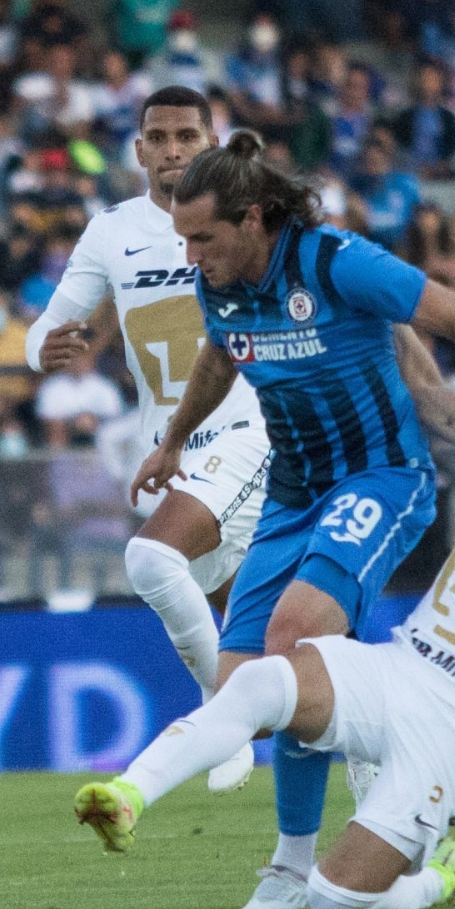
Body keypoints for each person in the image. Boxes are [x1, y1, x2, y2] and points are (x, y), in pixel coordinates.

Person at [78, 342, 455, 909]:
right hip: (403, 666)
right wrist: (388, 299)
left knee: (332, 898)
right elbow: (426, 392)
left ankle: (434, 879)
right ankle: (129, 795)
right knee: (261, 680)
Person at [132, 130, 455, 909]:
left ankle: (291, 866)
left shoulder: (337, 261)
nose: (190, 256)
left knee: (291, 643)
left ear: (253, 219)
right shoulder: (218, 282)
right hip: (292, 494)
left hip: (381, 477)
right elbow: (220, 355)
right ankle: (388, 737)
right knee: (246, 692)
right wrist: (173, 440)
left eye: (202, 238)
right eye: (182, 240)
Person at [25, 87, 272, 795]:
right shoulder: (112, 231)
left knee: (151, 558)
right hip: (171, 454)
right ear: (139, 151)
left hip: (251, 431)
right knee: (275, 643)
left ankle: (221, 722)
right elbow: (45, 328)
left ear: (211, 144)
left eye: (186, 136)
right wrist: (40, 349)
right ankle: (382, 761)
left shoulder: (251, 219)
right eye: (158, 138)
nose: (172, 150)